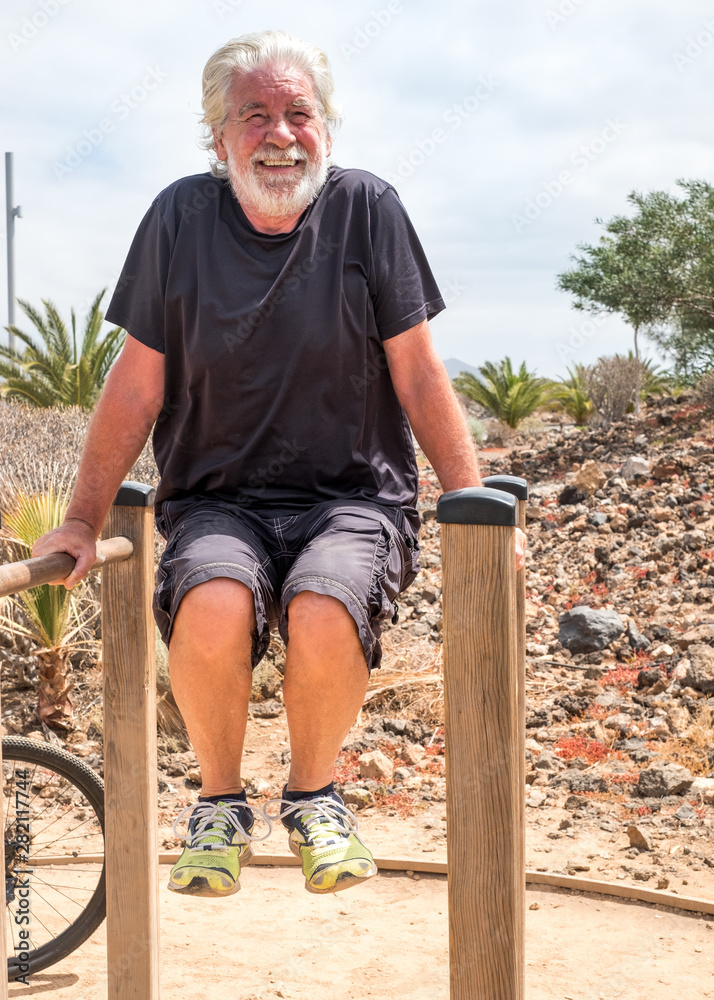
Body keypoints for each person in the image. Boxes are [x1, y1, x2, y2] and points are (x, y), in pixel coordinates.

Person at [34, 30, 526, 898]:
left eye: (298, 112)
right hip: (217, 500)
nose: (279, 134)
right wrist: (79, 518)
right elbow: (136, 383)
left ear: (326, 126)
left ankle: (313, 797)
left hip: (353, 498)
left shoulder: (367, 208)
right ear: (217, 134)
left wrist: (476, 504)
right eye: (253, 114)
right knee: (214, 603)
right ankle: (219, 805)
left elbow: (418, 371)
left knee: (325, 604)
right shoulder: (179, 218)